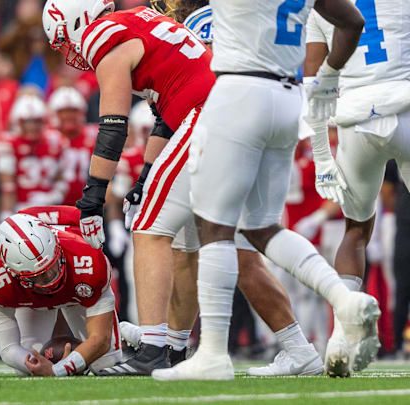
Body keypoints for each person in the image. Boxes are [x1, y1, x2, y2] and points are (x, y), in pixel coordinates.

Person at [43, 0, 322, 377]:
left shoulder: (102, 36)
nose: (70, 50)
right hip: (230, 111)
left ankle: (153, 349)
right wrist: (145, 177)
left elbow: (112, 127)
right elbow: (163, 118)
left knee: (148, 228)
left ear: (77, 21)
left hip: (208, 114)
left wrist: (92, 198)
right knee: (206, 245)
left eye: (64, 39)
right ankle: (290, 349)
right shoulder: (140, 19)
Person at [152, 0, 374, 381]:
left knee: (214, 226)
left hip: (239, 89)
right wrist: (329, 75)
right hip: (288, 98)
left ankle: (212, 355)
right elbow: (352, 20)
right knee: (262, 228)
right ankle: (345, 299)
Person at [303, 1, 410, 375]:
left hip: (355, 118)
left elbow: (313, 86)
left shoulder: (323, 6)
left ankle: (340, 340)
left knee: (355, 230)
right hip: (407, 104)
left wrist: (320, 156)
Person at [0, 206, 121, 376]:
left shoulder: (87, 259)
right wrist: (39, 366)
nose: (51, 280)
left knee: (106, 365)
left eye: (52, 267)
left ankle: (126, 332)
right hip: (34, 303)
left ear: (57, 248)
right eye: (38, 276)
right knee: (24, 371)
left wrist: (59, 369)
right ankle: (123, 331)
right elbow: (9, 348)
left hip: (75, 290)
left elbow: (100, 339)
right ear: (12, 272)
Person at [0, 95, 65, 216]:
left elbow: (62, 178)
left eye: (36, 121)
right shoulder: (8, 144)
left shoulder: (55, 141)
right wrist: (6, 215)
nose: (32, 126)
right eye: (27, 121)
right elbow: (7, 187)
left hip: (49, 209)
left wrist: (54, 196)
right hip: (20, 209)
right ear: (18, 122)